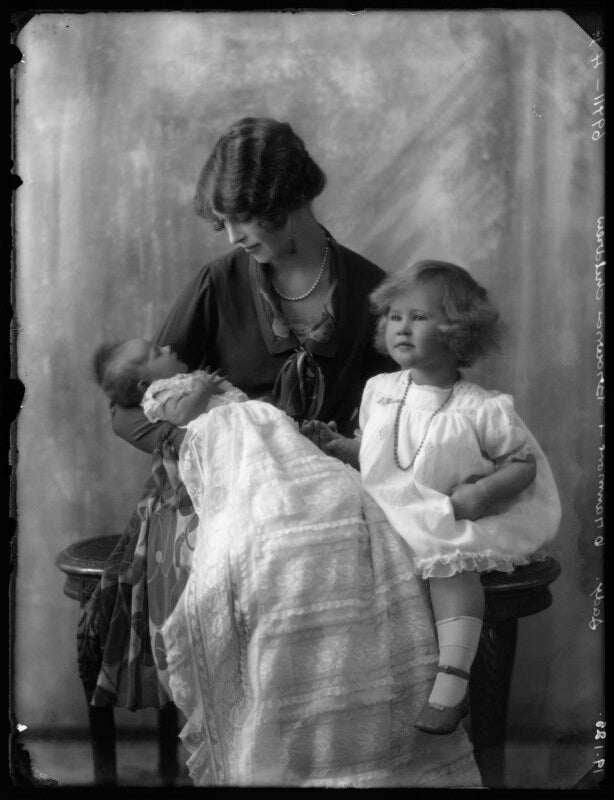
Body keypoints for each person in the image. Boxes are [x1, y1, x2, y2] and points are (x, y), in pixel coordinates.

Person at [306, 261, 561, 736]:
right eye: (394, 316)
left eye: (419, 317)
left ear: (459, 332)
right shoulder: (380, 390)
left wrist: (479, 495)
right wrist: (342, 448)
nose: (401, 327)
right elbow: (380, 451)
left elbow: (522, 465)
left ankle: (453, 679)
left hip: (447, 511)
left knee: (450, 560)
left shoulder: (479, 407)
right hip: (386, 511)